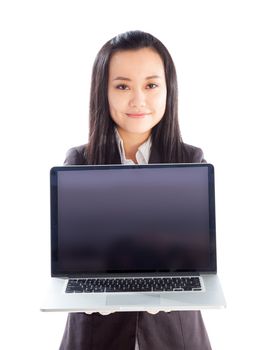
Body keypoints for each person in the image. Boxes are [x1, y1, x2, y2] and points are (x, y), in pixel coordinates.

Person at [59, 30, 212, 350]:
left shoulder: (189, 160)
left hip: (175, 336)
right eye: (122, 85)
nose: (138, 100)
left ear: (168, 90)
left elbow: (194, 253)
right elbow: (73, 254)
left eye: (151, 85)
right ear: (103, 92)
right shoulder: (79, 161)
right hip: (94, 335)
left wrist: (174, 285)